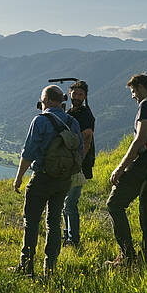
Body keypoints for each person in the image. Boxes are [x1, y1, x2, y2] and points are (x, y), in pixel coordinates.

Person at [12, 85, 83, 277]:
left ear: (48, 100)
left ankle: (25, 266)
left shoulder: (41, 121)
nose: (41, 105)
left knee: (31, 222)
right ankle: (50, 268)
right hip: (63, 180)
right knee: (53, 222)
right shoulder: (73, 122)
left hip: (42, 178)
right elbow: (80, 151)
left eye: (42, 102)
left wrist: (18, 178)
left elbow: (28, 153)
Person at [106, 73, 147, 266]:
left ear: (141, 87)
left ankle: (127, 257)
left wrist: (120, 168)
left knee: (114, 204)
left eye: (133, 91)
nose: (133, 96)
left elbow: (140, 139)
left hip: (145, 164)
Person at [62, 80, 95, 247]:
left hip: (77, 165)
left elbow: (87, 139)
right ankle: (66, 236)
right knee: (64, 203)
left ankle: (74, 240)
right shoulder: (70, 112)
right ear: (69, 94)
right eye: (74, 93)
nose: (76, 97)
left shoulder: (84, 115)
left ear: (85, 96)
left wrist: (78, 163)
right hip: (69, 164)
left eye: (80, 94)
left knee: (70, 203)